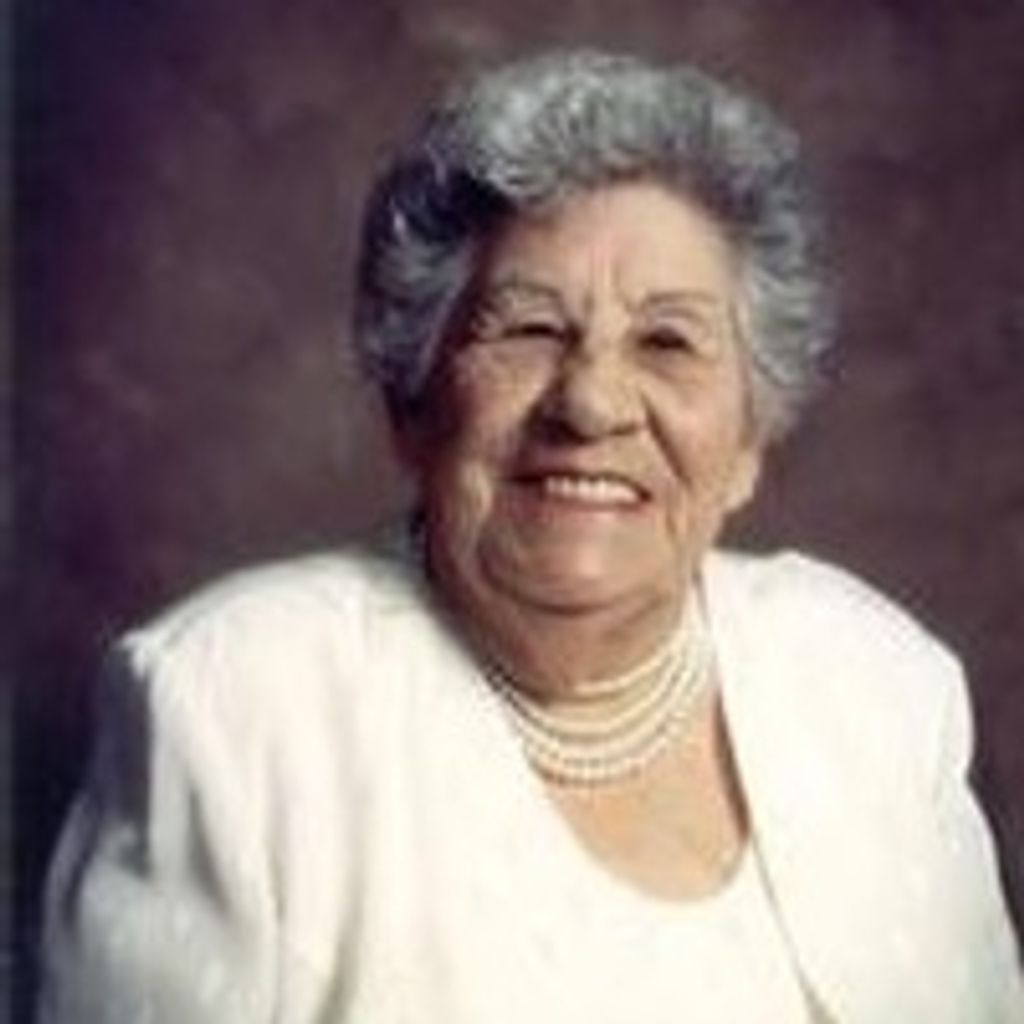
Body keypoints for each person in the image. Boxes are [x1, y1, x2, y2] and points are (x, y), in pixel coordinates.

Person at [38, 49, 1022, 1023]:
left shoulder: (877, 680)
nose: (591, 402)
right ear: (413, 405)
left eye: (668, 341)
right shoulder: (233, 714)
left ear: (748, 442)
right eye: (529, 330)